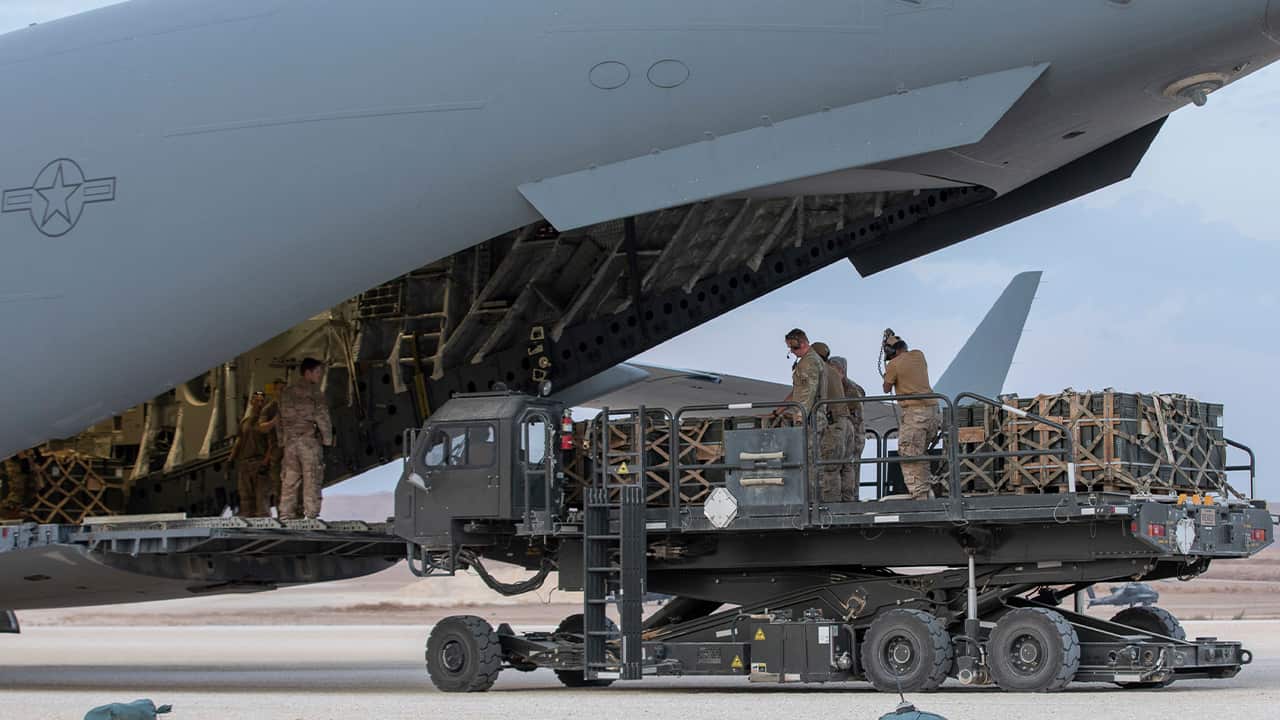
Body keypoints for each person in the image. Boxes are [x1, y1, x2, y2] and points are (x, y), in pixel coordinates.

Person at [777, 329, 845, 504]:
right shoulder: (814, 361)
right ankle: (815, 500)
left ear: (800, 343)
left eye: (792, 347)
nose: (791, 351)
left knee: (809, 461)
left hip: (811, 417)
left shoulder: (808, 363)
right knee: (813, 460)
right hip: (815, 416)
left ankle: (812, 501)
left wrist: (800, 415)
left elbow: (808, 391)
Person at [882, 331, 940, 500]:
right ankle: (926, 492)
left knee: (908, 453)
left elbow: (886, 388)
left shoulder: (893, 365)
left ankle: (920, 496)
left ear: (893, 352)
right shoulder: (919, 355)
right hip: (933, 413)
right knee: (919, 452)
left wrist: (889, 370)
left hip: (915, 414)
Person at [278, 358, 333, 519]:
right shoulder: (314, 392)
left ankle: (286, 513)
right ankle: (311, 513)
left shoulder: (286, 393)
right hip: (308, 441)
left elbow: (278, 420)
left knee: (290, 479)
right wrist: (327, 440)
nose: (320, 376)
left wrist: (281, 440)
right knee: (312, 477)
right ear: (308, 372)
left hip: (290, 444)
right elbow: (322, 417)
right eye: (317, 372)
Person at [231, 391, 278, 517]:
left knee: (262, 500)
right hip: (245, 464)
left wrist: (266, 462)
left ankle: (265, 531)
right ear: (251, 402)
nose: (259, 403)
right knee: (246, 500)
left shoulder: (265, 423)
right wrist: (231, 459)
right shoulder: (245, 422)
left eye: (262, 401)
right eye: (256, 400)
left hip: (260, 463)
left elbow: (272, 444)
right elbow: (239, 441)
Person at [830, 356, 866, 501]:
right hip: (843, 434)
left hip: (854, 435)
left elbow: (854, 415)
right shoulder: (836, 387)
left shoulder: (852, 389)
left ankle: (851, 498)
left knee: (851, 467)